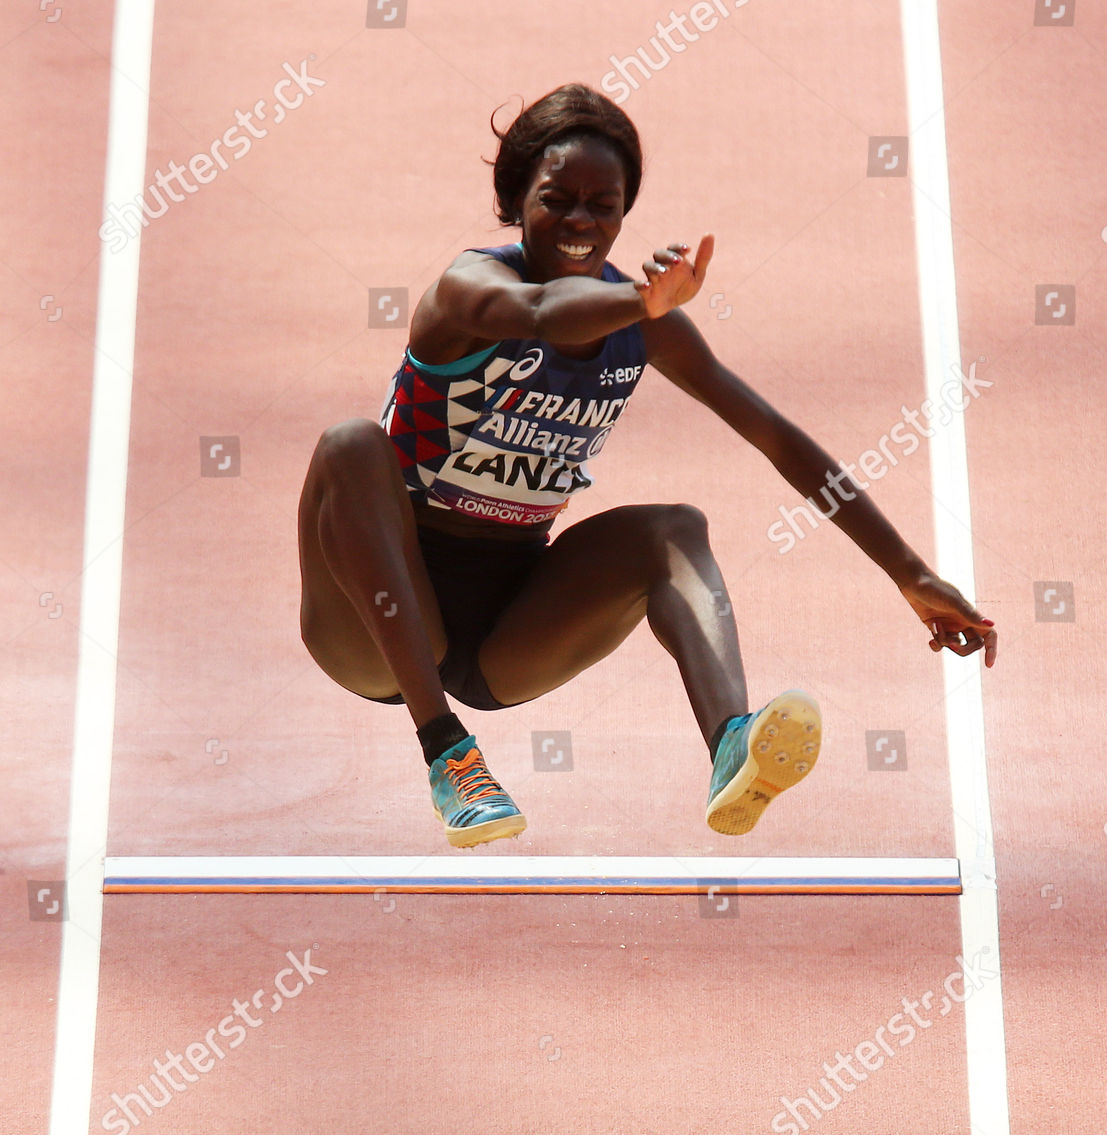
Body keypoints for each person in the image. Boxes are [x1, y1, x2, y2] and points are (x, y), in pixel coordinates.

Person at [296, 82, 997, 849]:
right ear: (513, 198)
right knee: (349, 445)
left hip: (509, 632)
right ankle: (448, 756)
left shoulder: (646, 324)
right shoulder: (469, 290)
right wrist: (642, 303)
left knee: (673, 529)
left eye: (604, 204)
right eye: (556, 198)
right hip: (377, 627)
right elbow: (538, 314)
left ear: (626, 211)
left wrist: (907, 572)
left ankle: (731, 740)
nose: (580, 222)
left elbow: (775, 438)